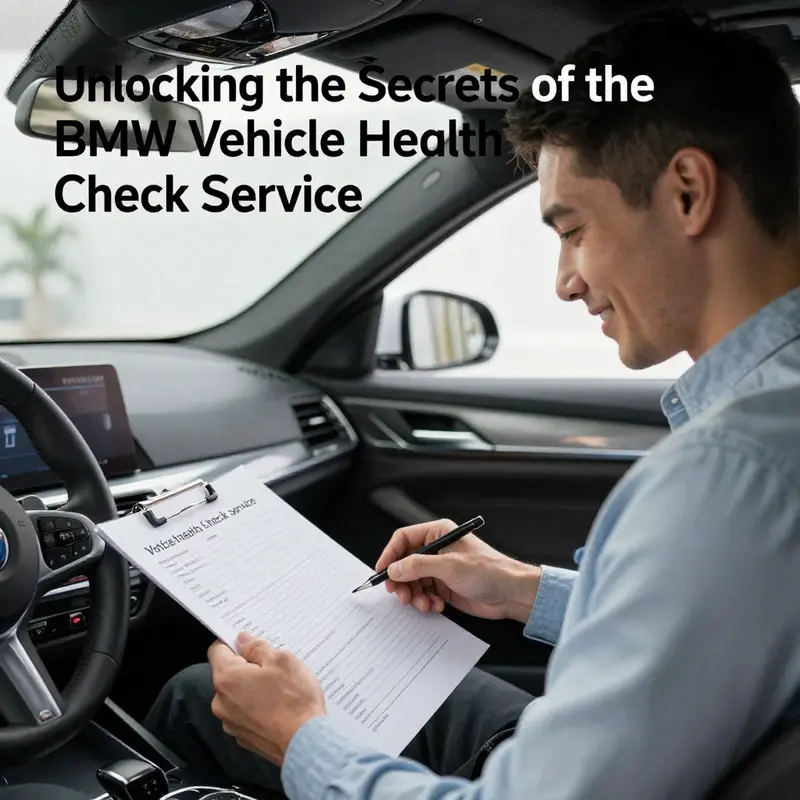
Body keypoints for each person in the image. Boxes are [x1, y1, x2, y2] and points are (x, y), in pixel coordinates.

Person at [144, 7, 800, 800]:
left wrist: (302, 741)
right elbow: (710, 635)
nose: (566, 281)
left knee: (192, 703)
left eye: (575, 229)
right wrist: (522, 588)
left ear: (688, 193)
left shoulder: (730, 474)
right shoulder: (766, 434)